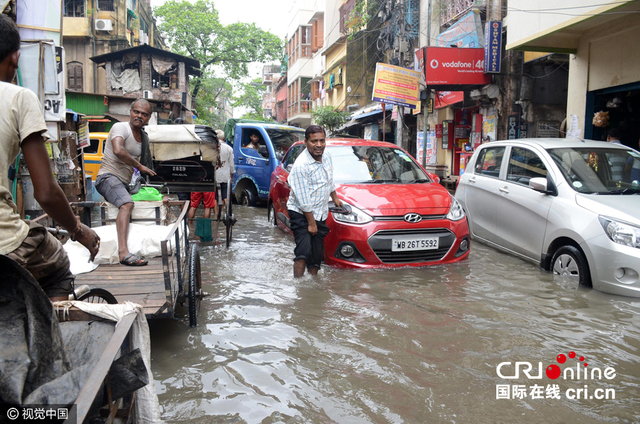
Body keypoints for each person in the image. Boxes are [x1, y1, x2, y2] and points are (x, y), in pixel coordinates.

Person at [0, 14, 99, 300]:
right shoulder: (19, 97)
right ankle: (49, 340)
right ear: (15, 59)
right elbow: (45, 192)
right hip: (5, 240)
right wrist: (78, 231)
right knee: (57, 267)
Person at [95, 99, 156, 266]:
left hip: (123, 182)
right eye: (136, 112)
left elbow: (147, 160)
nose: (139, 116)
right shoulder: (120, 127)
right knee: (127, 204)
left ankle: (129, 246)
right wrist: (139, 166)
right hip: (107, 177)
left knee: (135, 205)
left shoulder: (143, 138)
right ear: (130, 112)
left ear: (149, 117)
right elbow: (118, 150)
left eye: (144, 114)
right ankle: (123, 252)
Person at [286, 125, 342, 278]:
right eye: (314, 141)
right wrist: (311, 223)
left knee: (317, 255)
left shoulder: (327, 156)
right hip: (301, 213)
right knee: (303, 253)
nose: (319, 145)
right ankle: (298, 286)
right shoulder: (301, 166)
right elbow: (303, 200)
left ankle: (312, 286)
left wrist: (335, 198)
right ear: (306, 142)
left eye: (322, 141)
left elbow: (329, 179)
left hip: (320, 211)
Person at [215, 129, 235, 211]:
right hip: (225, 176)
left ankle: (216, 216)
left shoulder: (212, 147)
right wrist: (232, 174)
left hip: (214, 176)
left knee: (214, 198)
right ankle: (227, 213)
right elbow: (231, 164)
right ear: (223, 137)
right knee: (225, 196)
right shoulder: (229, 148)